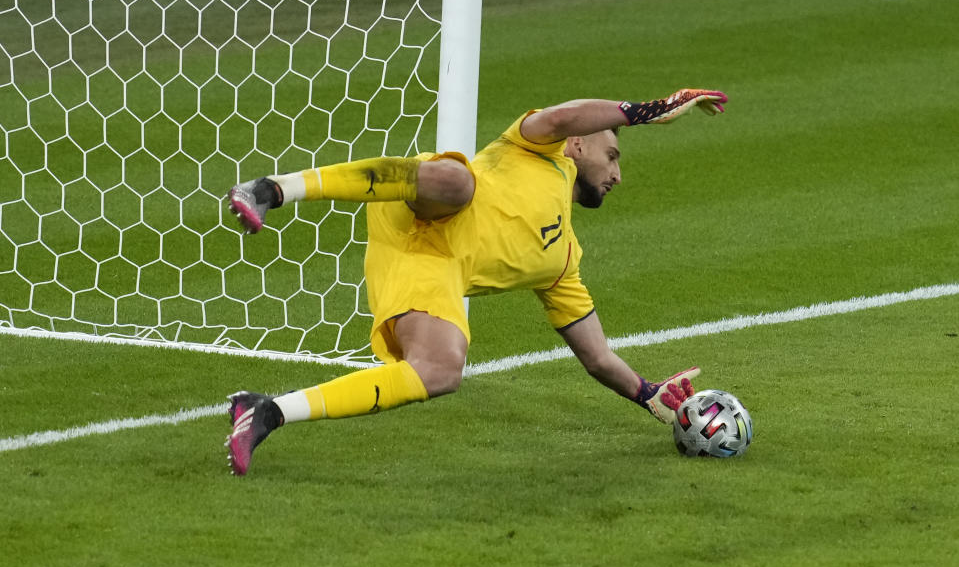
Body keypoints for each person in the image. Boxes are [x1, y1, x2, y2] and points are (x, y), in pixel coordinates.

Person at [224, 88, 728, 476]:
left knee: (441, 371)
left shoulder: (561, 262)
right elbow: (560, 116)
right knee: (459, 181)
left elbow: (596, 356)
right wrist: (645, 110)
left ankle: (266, 412)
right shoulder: (537, 147)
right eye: (613, 156)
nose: (618, 174)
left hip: (424, 264)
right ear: (579, 144)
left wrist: (646, 394)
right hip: (423, 202)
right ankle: (271, 188)